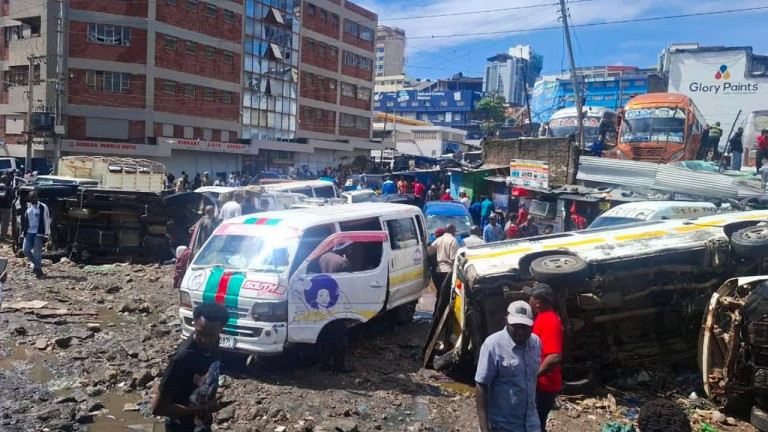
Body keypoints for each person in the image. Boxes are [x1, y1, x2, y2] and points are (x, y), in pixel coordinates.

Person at [152, 302, 230, 432]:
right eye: (200, 333)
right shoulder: (182, 359)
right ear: (194, 323)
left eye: (211, 335)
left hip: (202, 424)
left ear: (221, 329)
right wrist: (205, 409)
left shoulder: (215, 343)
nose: (205, 339)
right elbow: (159, 409)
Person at [475, 300, 542, 432]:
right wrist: (484, 428)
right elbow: (481, 385)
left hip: (532, 424)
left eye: (525, 327)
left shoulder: (535, 343)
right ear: (505, 320)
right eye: (516, 326)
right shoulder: (493, 345)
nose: (520, 331)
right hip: (504, 425)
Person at [524, 283, 563, 432]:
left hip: (544, 386)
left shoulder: (550, 321)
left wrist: (533, 377)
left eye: (531, 298)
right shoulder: (542, 317)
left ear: (537, 303)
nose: (529, 300)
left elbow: (554, 357)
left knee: (535, 425)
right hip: (541, 384)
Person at [21, 191, 51, 278]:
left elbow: (46, 220)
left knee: (37, 252)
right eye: (32, 197)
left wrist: (46, 234)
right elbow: (25, 220)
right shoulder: (28, 206)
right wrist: (22, 233)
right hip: (29, 232)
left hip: (39, 232)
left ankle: (38, 270)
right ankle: (37, 265)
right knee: (25, 250)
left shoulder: (43, 207)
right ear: (29, 198)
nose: (34, 199)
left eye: (36, 197)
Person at [431, 224, 459, 317]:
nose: (455, 232)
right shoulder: (453, 240)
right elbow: (454, 259)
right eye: (454, 230)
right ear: (452, 230)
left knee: (440, 293)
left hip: (438, 271)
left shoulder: (438, 240)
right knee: (448, 295)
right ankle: (443, 316)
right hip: (448, 271)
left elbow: (429, 252)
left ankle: (437, 315)